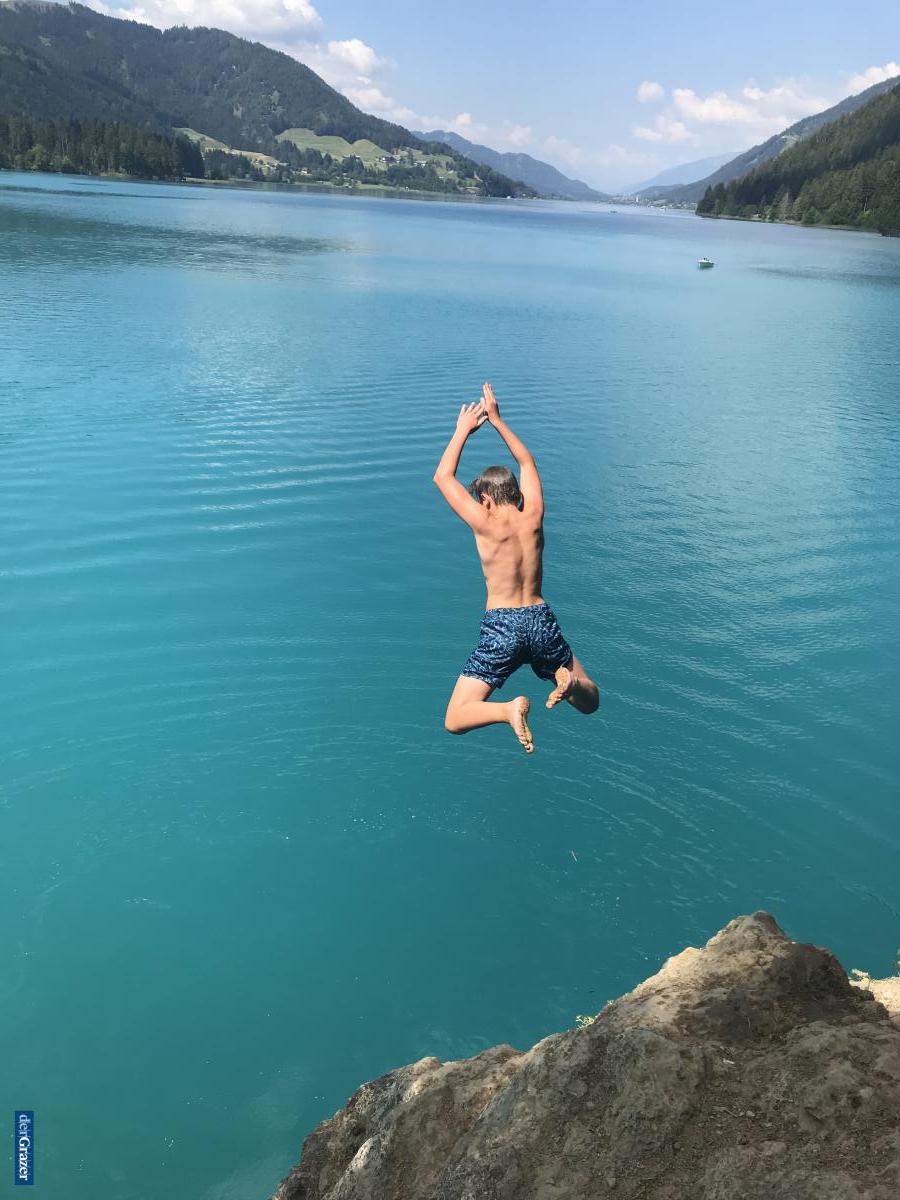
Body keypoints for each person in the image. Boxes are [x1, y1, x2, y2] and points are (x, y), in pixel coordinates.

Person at [432, 383, 599, 753]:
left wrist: (462, 430)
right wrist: (498, 421)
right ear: (517, 494)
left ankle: (507, 710)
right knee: (590, 701)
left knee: (455, 717)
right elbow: (527, 463)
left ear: (486, 499)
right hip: (540, 619)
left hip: (502, 626)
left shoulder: (484, 521)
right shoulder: (533, 515)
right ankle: (570, 684)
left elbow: (442, 477)